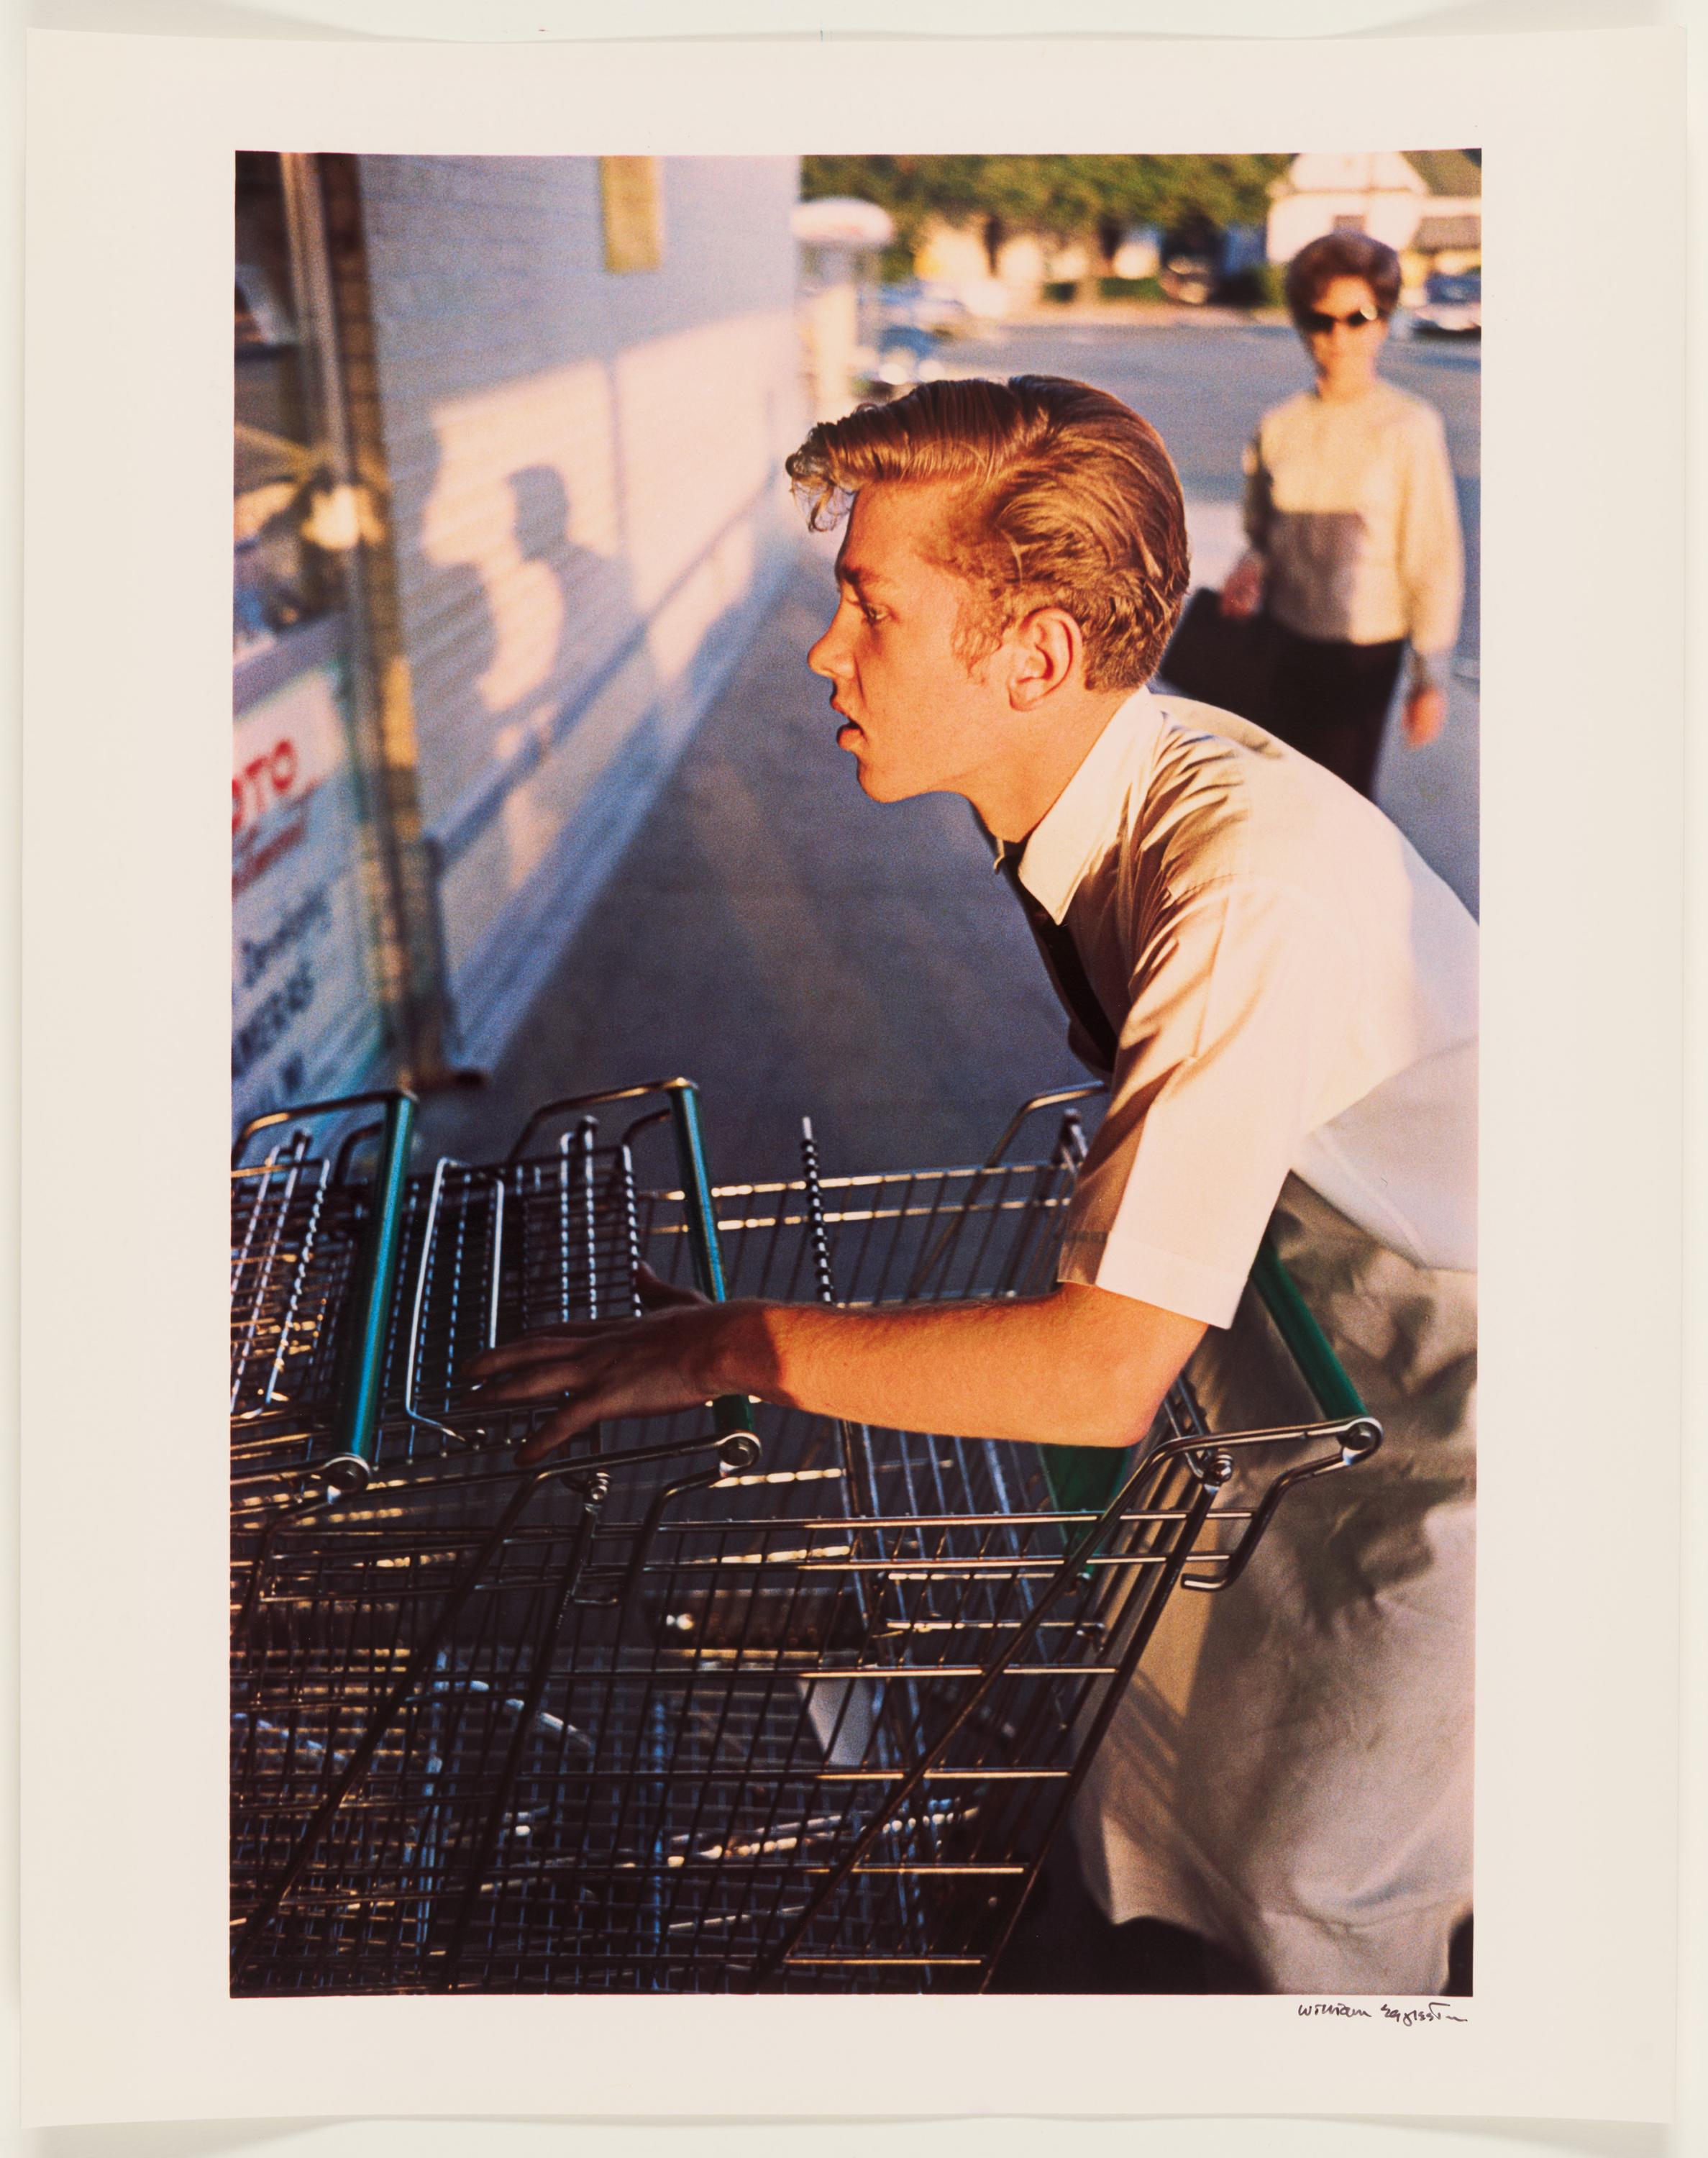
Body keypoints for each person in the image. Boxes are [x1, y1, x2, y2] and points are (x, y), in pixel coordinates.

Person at [467, 375, 1478, 1997]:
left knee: (1320, 1881)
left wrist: (735, 1345)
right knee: (1172, 1778)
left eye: (870, 607)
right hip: (1316, 1315)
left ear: (1032, 657)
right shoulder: (1088, 796)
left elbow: (1093, 1373)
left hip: (1464, 1387)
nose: (824, 650)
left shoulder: (1240, 894)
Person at [1219, 230, 1464, 799]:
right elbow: (1262, 530)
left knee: (1339, 803)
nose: (1337, 337)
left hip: (1363, 650)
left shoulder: (1409, 426)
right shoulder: (1278, 425)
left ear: (1382, 320)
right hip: (1282, 638)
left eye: (1356, 318)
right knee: (1278, 795)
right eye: (1319, 321)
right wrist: (1249, 564)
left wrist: (1430, 676)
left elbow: (1431, 554)